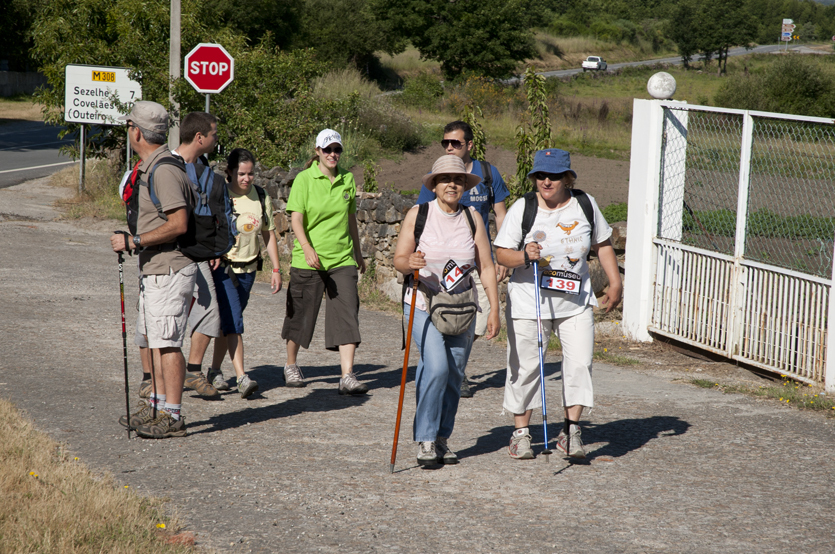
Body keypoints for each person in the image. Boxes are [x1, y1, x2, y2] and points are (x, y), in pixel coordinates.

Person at [494, 148, 622, 460]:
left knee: (579, 364)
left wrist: (615, 281)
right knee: (525, 368)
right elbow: (501, 254)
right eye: (540, 175)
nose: (546, 181)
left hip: (574, 303)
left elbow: (602, 244)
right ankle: (521, 434)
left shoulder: (585, 204)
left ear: (567, 178)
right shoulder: (522, 208)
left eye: (553, 176)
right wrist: (525, 256)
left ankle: (571, 431)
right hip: (529, 303)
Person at [393, 155, 500, 466]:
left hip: (462, 306)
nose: (452, 184)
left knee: (453, 375)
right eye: (445, 179)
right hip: (422, 301)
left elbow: (486, 266)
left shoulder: (472, 218)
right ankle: (425, 439)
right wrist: (409, 263)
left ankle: (441, 438)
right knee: (437, 366)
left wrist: (494, 309)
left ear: (465, 186)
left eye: (458, 180)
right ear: (435, 185)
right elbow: (399, 259)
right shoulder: (419, 214)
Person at [111, 100, 198, 439]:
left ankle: (173, 416)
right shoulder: (154, 166)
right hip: (157, 267)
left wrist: (135, 241)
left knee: (168, 343)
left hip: (170, 267)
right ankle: (159, 406)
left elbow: (179, 223)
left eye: (129, 126)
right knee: (157, 341)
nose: (128, 132)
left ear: (137, 132)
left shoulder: (163, 170)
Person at [415, 120, 509, 398]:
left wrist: (501, 253)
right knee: (448, 314)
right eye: (445, 143)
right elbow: (422, 212)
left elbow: (500, 213)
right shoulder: (438, 174)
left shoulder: (488, 173)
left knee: (476, 322)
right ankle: (453, 370)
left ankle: (455, 362)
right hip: (443, 266)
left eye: (455, 143)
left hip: (477, 263)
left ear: (469, 145)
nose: (449, 147)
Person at [280, 129, 368, 395]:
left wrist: (358, 252)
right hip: (310, 260)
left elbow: (351, 218)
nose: (333, 154)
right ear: (317, 151)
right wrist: (306, 248)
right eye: (327, 149)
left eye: (337, 150)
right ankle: (291, 365)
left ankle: (347, 376)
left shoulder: (348, 179)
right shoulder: (305, 180)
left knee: (347, 313)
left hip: (341, 258)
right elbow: (296, 218)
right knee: (301, 316)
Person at [209, 148, 282, 398]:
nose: (246, 178)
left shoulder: (260, 196)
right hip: (224, 269)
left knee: (227, 324)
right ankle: (241, 377)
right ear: (229, 172)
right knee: (235, 323)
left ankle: (214, 371)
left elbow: (268, 232)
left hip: (249, 272)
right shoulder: (219, 194)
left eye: (251, 173)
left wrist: (276, 268)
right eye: (241, 173)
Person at [172, 111, 223, 396]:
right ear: (200, 137)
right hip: (169, 254)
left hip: (197, 254)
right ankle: (150, 379)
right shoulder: (168, 164)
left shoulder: (202, 166)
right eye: (214, 134)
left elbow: (206, 210)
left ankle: (193, 372)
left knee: (210, 311)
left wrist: (211, 246)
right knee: (164, 317)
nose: (216, 139)